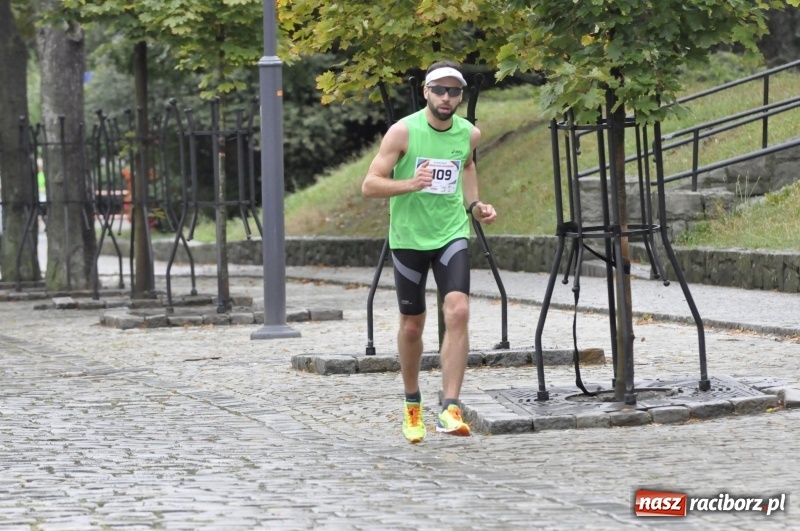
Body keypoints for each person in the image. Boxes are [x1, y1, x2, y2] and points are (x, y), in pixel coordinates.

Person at [362, 61, 497, 443]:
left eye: (454, 91)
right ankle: (412, 404)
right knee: (412, 325)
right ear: (426, 92)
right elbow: (369, 186)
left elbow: (467, 167)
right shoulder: (403, 131)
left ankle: (450, 408)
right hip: (408, 239)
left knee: (459, 310)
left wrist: (475, 206)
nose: (447, 97)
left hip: (451, 233)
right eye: (439, 90)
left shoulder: (469, 134)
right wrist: (410, 183)